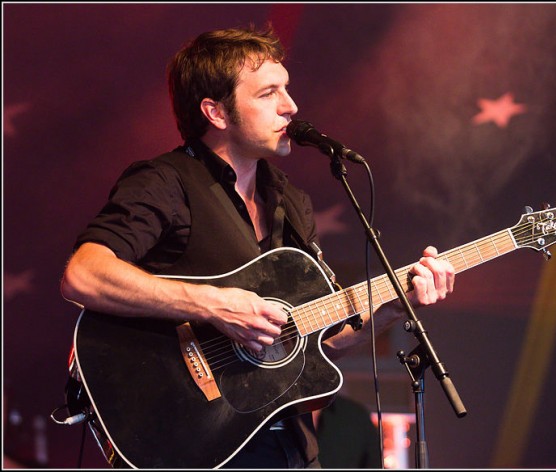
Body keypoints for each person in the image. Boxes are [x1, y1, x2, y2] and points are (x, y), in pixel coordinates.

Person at [60, 24, 455, 469]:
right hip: (194, 445)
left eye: (286, 89)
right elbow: (84, 274)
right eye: (269, 93)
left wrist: (393, 309)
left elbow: (316, 345)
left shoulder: (290, 201)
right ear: (216, 112)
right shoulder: (165, 181)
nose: (291, 106)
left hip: (290, 450)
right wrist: (215, 305)